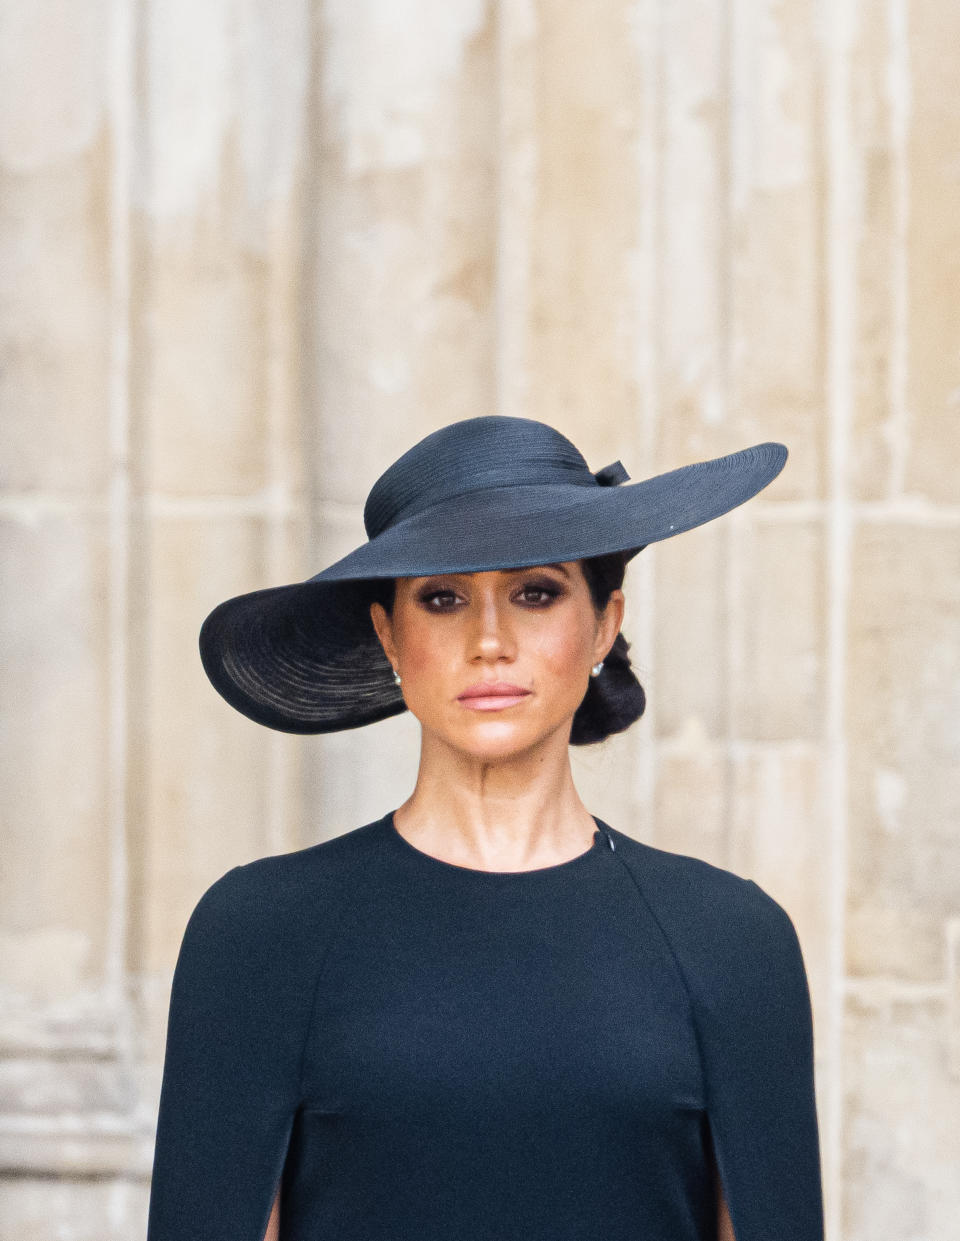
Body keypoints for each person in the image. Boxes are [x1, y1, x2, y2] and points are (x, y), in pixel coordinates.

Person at [145, 415, 825, 1241]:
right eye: (443, 597)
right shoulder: (259, 932)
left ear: (605, 623)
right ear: (389, 634)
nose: (490, 640)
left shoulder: (732, 938)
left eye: (535, 592)